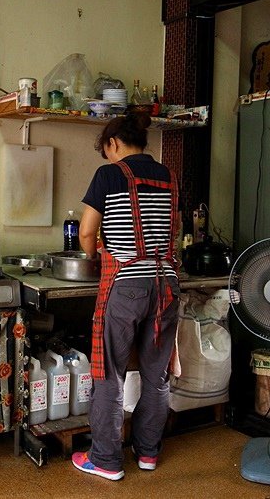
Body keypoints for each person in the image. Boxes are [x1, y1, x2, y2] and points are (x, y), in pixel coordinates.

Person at [71, 112, 181, 481]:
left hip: (127, 284)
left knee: (109, 374)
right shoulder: (169, 176)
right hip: (166, 283)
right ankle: (148, 453)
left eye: (106, 150)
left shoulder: (109, 174)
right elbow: (171, 231)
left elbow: (87, 234)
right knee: (157, 374)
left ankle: (105, 459)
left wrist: (93, 254)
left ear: (113, 143)